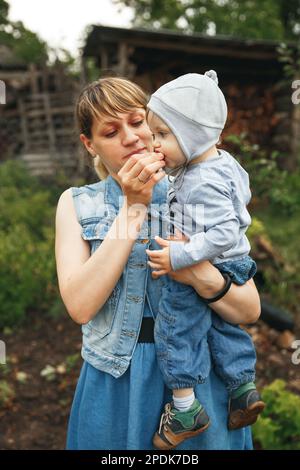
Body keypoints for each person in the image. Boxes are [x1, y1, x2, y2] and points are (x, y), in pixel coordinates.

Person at [55, 76, 261, 450]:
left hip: (197, 381)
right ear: (91, 144)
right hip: (116, 378)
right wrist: (133, 207)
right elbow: (80, 306)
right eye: (111, 131)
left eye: (137, 122)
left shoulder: (197, 187)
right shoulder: (76, 203)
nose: (132, 137)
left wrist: (198, 273)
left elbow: (249, 310)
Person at [146, 71, 265, 450]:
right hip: (234, 265)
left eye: (162, 135)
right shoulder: (220, 163)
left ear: (192, 135)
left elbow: (225, 231)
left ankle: (185, 409)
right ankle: (243, 388)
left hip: (213, 262)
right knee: (222, 329)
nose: (155, 144)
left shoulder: (202, 179)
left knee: (176, 327)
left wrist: (180, 256)